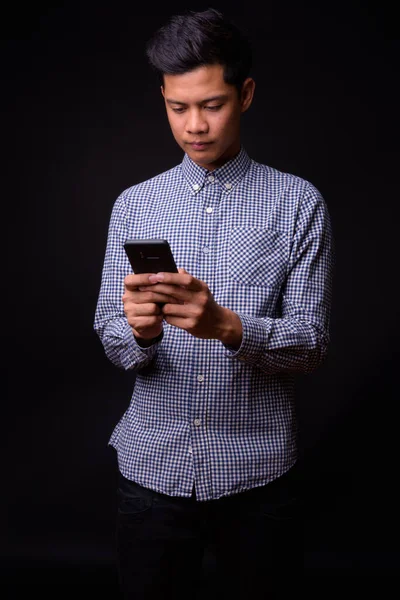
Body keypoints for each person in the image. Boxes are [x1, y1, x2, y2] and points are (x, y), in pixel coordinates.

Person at [94, 7, 334, 599]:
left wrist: (228, 326)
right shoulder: (134, 205)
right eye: (178, 107)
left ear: (245, 94)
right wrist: (141, 332)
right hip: (151, 470)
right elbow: (111, 334)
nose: (194, 125)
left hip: (258, 477)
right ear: (163, 99)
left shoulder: (298, 204)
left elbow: (311, 345)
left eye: (212, 104)